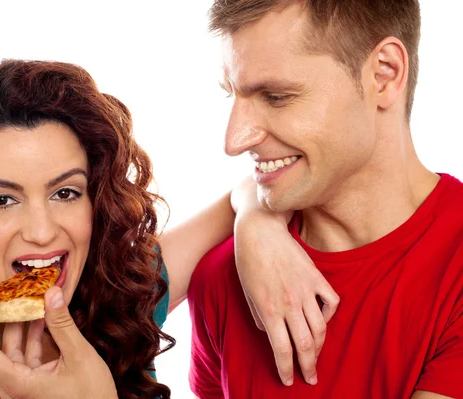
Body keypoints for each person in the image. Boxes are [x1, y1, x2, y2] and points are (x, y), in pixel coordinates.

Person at [0, 60, 335, 398]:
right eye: (2, 200)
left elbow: (247, 190)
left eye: (65, 192)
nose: (43, 232)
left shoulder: (123, 300)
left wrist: (258, 227)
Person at [187, 1, 463, 398]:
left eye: (277, 96)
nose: (234, 141)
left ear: (384, 74)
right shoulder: (222, 279)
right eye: (232, 94)